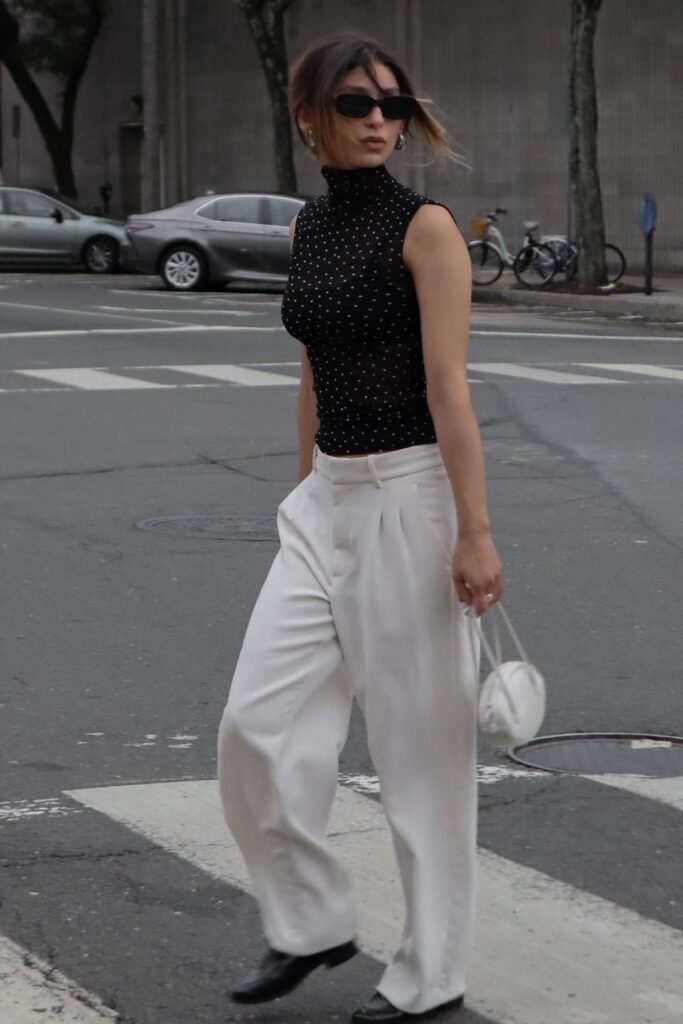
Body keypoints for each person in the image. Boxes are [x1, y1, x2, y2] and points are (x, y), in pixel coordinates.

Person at [217, 30, 503, 1023]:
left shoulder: (424, 229)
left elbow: (447, 388)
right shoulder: (309, 231)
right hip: (327, 502)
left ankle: (429, 979)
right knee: (253, 725)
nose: (377, 117)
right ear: (308, 118)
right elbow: (311, 368)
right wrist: (307, 490)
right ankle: (310, 923)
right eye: (353, 103)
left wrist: (471, 531)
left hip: (410, 498)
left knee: (421, 759)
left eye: (389, 102)